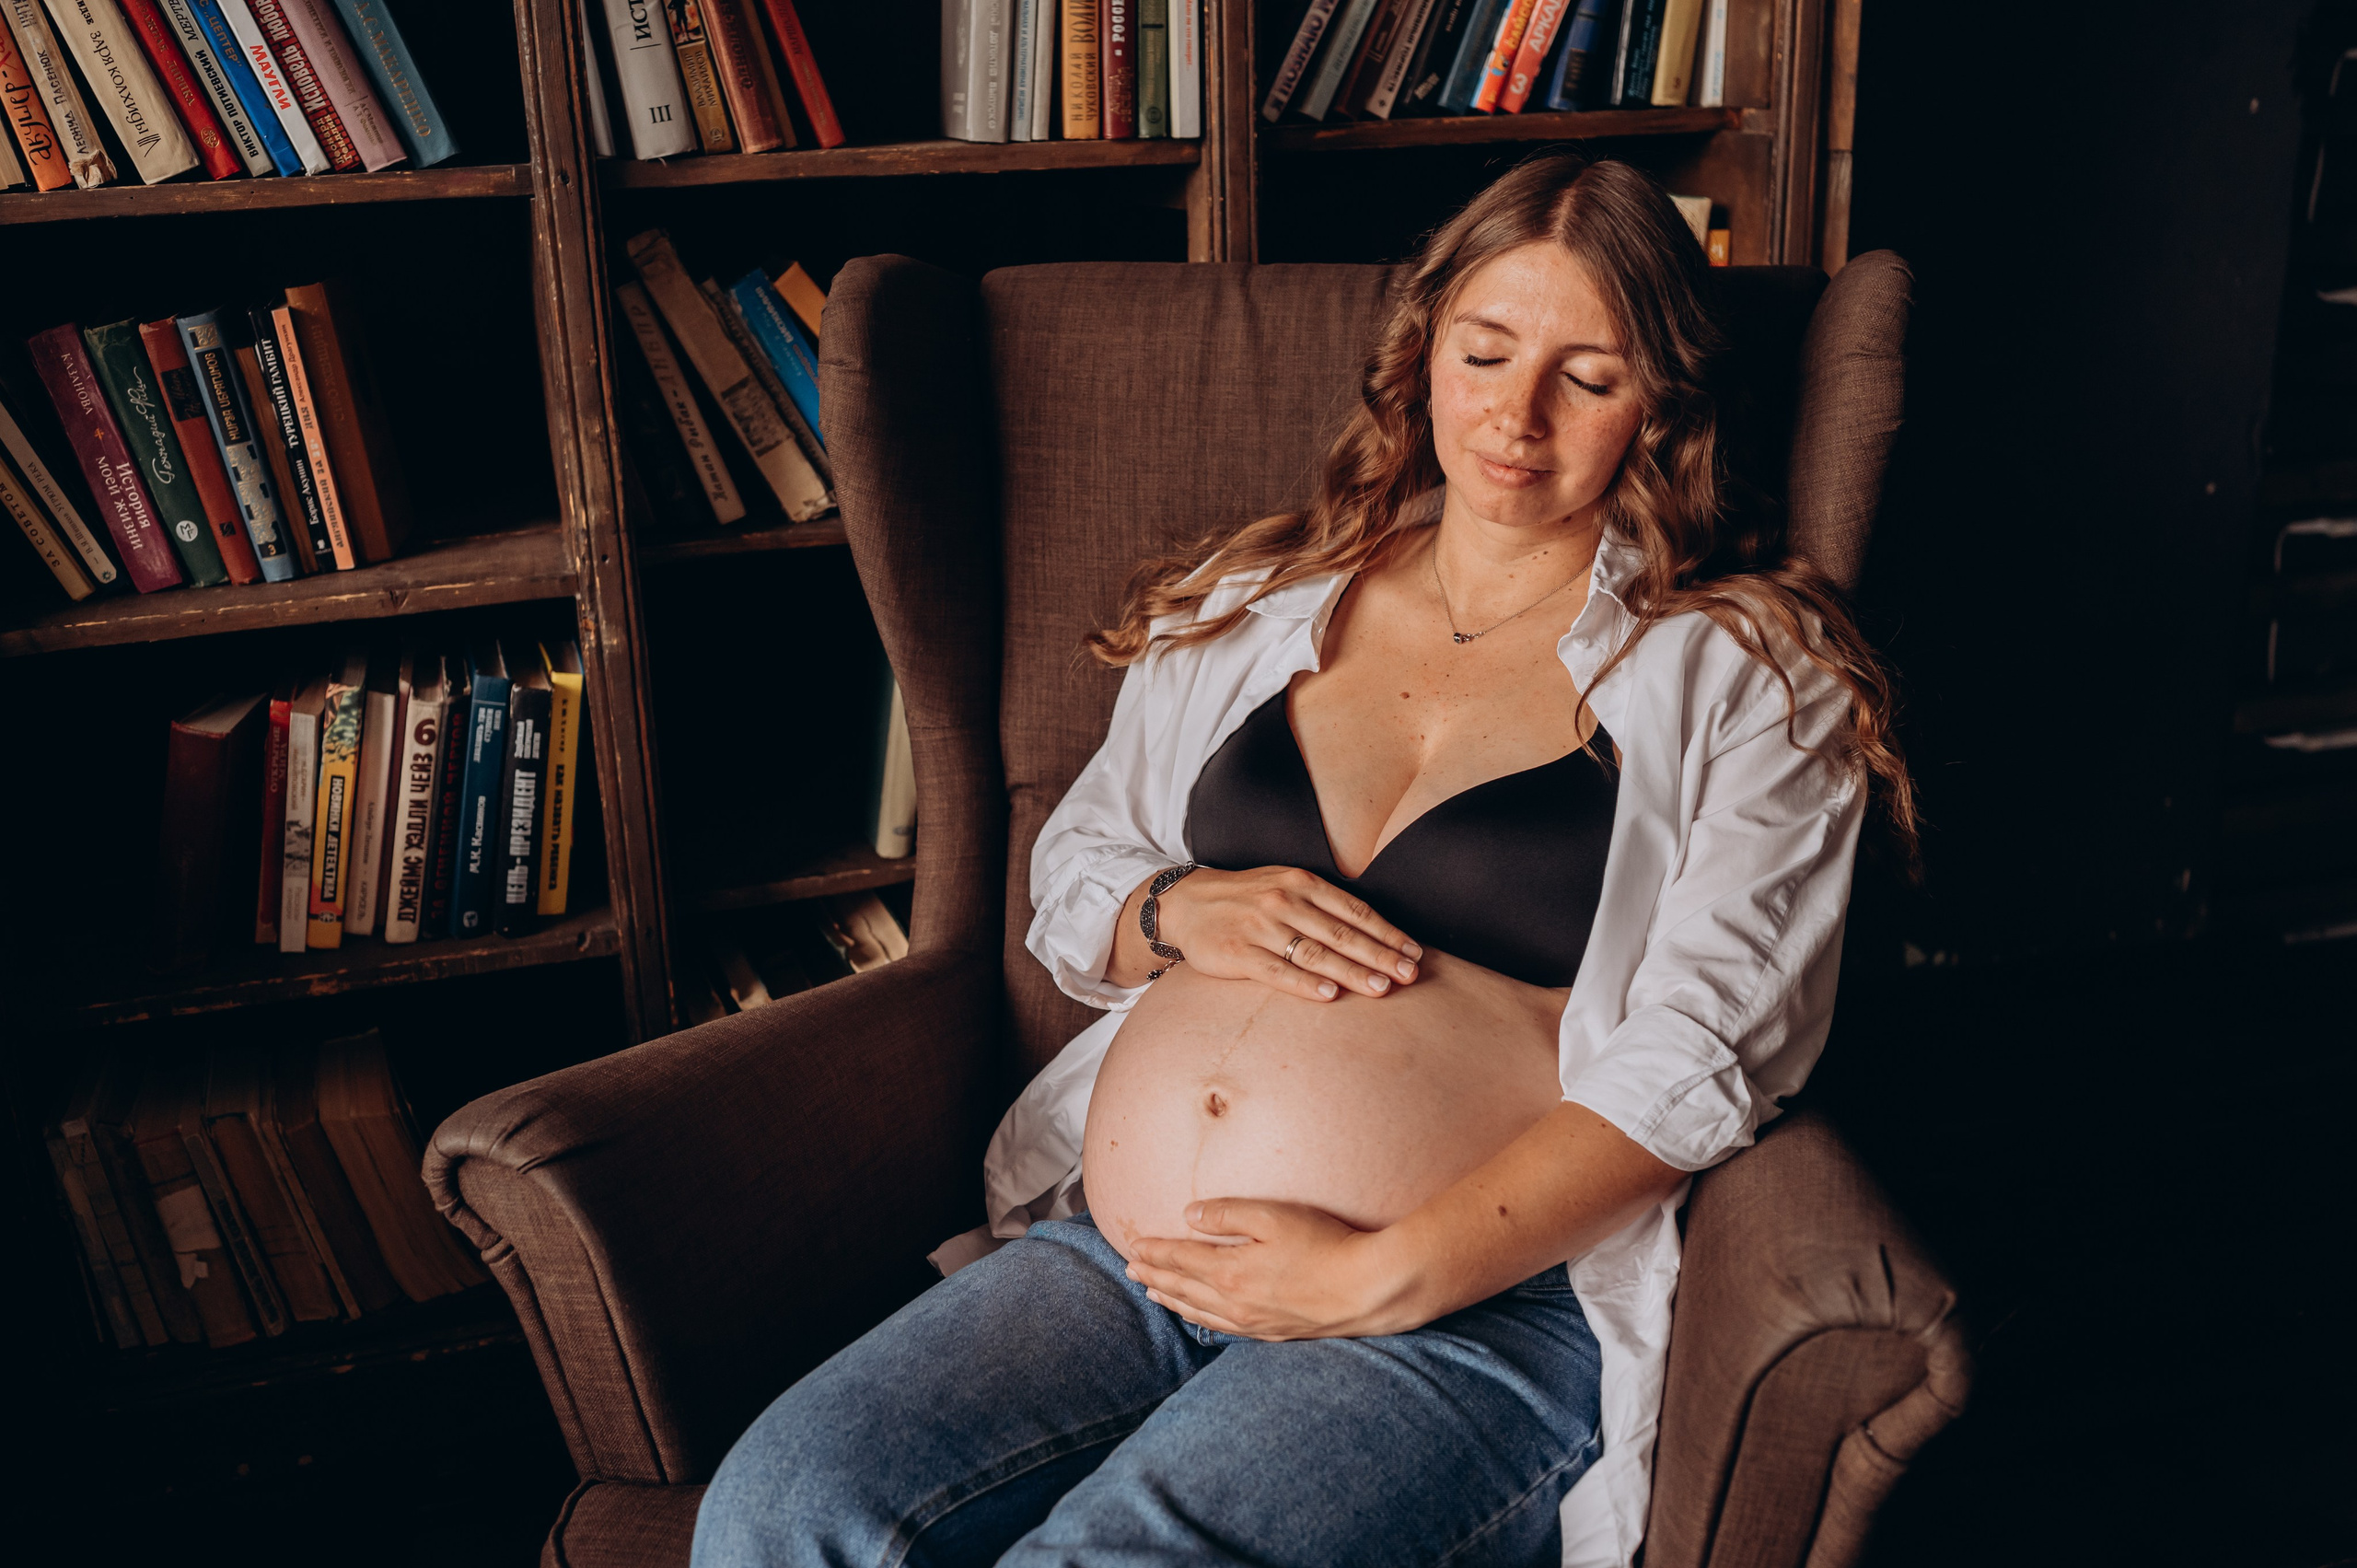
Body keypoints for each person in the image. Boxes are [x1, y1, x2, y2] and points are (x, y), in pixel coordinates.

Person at [691, 152, 1916, 1568]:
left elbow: (1707, 1055)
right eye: (1485, 352)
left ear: (1664, 406)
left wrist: (1382, 1273)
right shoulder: (1257, 601)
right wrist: (1179, 908)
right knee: (781, 1508)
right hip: (1130, 1260)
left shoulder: (1749, 674)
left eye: (1588, 378)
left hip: (1467, 1305)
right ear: (1425, 350)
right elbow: (1083, 865)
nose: (1515, 416)